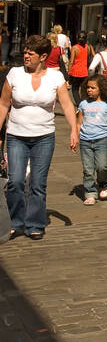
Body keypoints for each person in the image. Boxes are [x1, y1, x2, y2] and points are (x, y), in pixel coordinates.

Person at [0, 34, 79, 240]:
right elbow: (3, 104)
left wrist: (74, 130)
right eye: (25, 52)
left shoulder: (55, 77)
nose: (25, 56)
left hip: (44, 137)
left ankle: (35, 223)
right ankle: (17, 221)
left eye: (30, 53)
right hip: (17, 136)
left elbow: (68, 105)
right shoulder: (15, 74)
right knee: (16, 181)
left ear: (43, 56)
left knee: (37, 183)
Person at [77, 74, 107, 204]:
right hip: (85, 141)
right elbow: (79, 123)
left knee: (101, 166)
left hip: (101, 140)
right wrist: (75, 138)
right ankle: (90, 193)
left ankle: (104, 184)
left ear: (101, 89)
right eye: (88, 87)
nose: (89, 90)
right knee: (88, 169)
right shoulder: (83, 104)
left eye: (93, 88)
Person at [67, 32, 90, 105]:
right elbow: (88, 59)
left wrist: (69, 72)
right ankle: (83, 103)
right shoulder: (88, 47)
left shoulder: (75, 47)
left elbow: (71, 61)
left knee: (75, 89)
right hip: (85, 72)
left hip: (76, 72)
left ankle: (79, 104)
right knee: (83, 90)